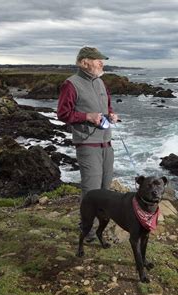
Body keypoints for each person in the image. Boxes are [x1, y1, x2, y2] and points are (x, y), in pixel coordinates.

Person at [57, 46, 118, 240]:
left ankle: (100, 225)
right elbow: (63, 114)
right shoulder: (71, 84)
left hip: (106, 143)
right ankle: (86, 227)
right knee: (91, 190)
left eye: (102, 60)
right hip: (87, 144)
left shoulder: (100, 82)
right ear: (85, 62)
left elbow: (106, 107)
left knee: (105, 189)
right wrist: (87, 116)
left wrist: (112, 115)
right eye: (98, 60)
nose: (102, 63)